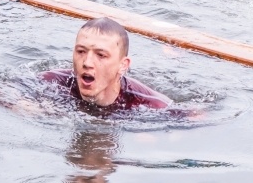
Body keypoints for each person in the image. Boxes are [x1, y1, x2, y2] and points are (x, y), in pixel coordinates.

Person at [39, 17, 172, 113]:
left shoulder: (149, 105)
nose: (87, 62)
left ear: (123, 65)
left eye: (101, 55)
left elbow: (189, 116)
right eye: (81, 51)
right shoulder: (51, 83)